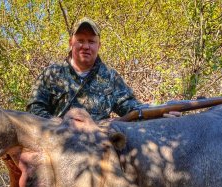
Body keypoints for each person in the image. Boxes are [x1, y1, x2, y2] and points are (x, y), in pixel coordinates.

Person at [27, 17, 181, 121]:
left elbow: (131, 108)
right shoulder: (52, 73)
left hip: (98, 146)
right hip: (58, 146)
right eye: (80, 40)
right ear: (71, 43)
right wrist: (60, 127)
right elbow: (34, 110)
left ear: (99, 45)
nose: (86, 46)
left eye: (91, 41)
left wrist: (160, 112)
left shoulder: (110, 77)